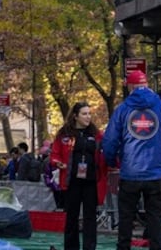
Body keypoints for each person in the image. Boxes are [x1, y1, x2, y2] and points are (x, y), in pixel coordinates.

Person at [102, 70, 161, 250]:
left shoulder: (123, 109)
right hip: (156, 173)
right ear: (147, 84)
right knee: (155, 219)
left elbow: (110, 140)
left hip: (130, 172)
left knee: (126, 219)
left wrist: (111, 161)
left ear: (131, 86)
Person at [51, 102, 109, 250]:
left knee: (90, 217)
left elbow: (106, 152)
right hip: (72, 182)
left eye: (89, 113)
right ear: (75, 116)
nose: (88, 117)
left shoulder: (97, 134)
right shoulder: (64, 134)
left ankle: (89, 247)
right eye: (84, 114)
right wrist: (58, 163)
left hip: (91, 181)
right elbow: (55, 154)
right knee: (71, 217)